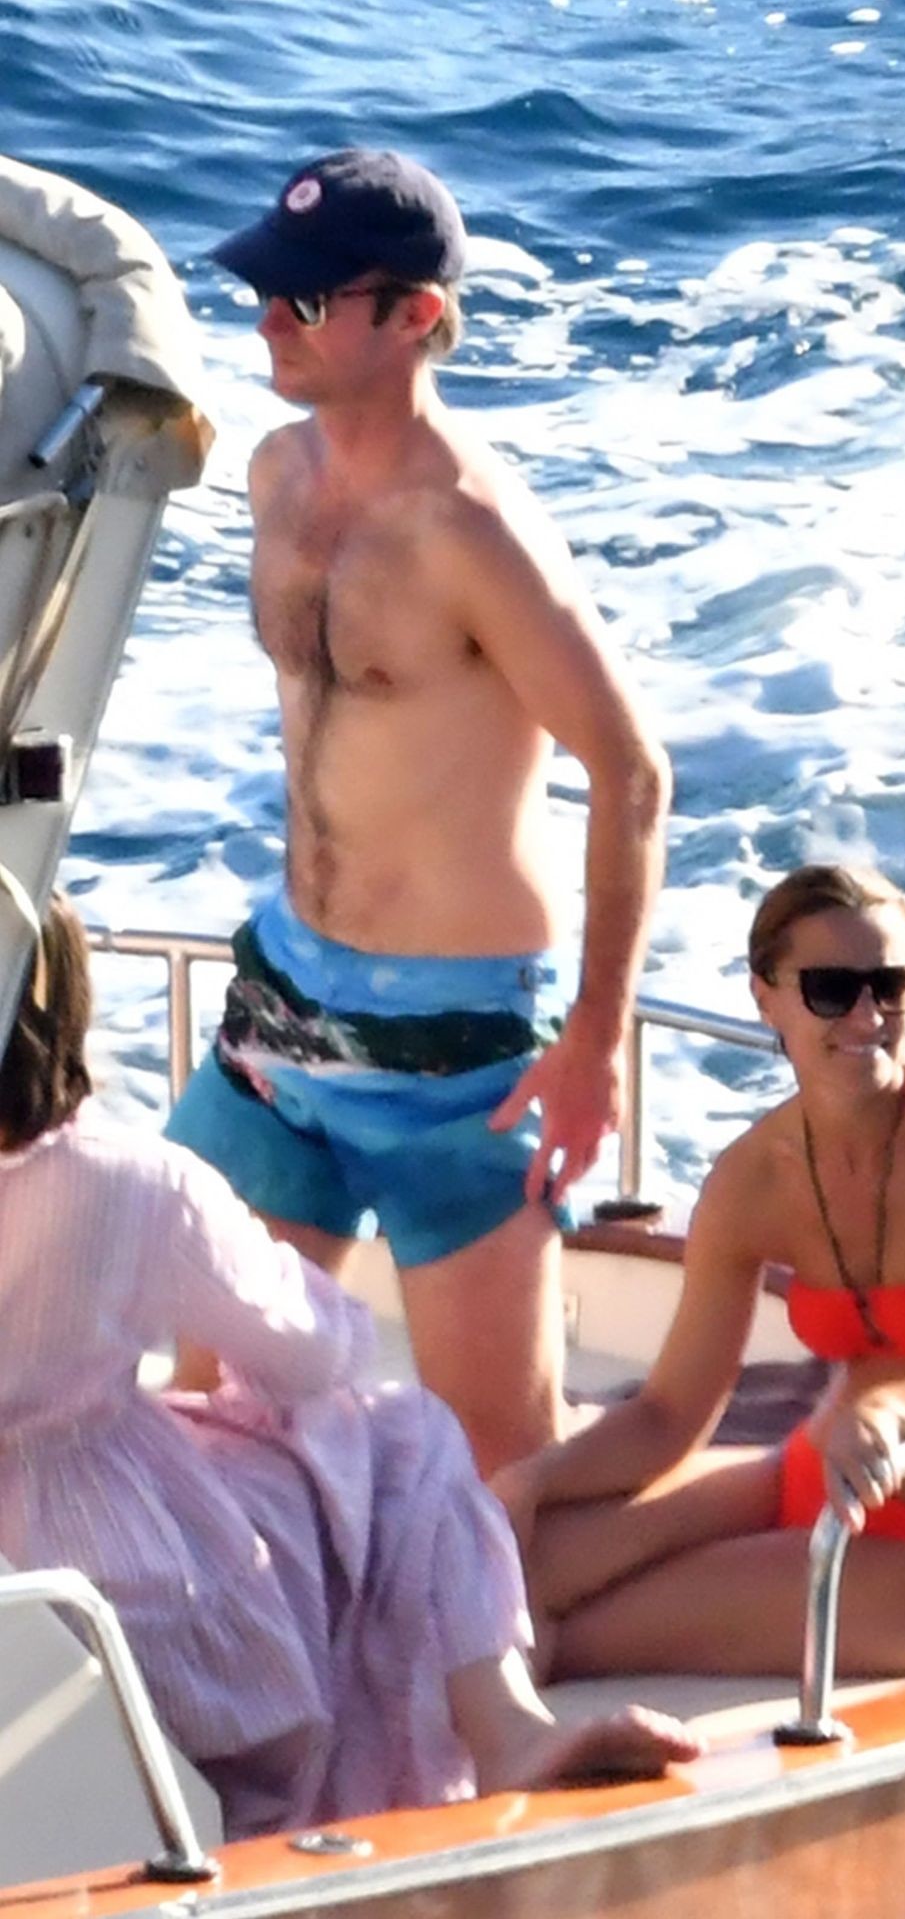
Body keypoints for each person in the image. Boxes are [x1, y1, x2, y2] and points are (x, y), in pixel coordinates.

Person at [165, 149, 671, 1473]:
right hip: (282, 1003)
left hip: (453, 1049)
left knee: (499, 1465)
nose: (267, 322)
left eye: (305, 302)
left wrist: (594, 1043)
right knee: (210, 1413)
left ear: (416, 317)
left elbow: (631, 773)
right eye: (264, 292)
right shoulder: (275, 473)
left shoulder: (471, 532)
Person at [0, 895, 698, 1840]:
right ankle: (507, 1731)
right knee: (403, 1434)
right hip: (123, 1591)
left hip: (27, 1600)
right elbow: (306, 1356)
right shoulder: (131, 1182)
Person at [493, 864, 905, 1679]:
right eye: (831, 990)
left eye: (893, 987)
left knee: (554, 1643)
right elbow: (668, 1414)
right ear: (765, 998)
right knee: (509, 1571)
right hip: (803, 1478)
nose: (867, 1017)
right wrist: (534, 1480)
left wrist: (893, 1412)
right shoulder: (751, 1180)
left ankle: (503, 1754)